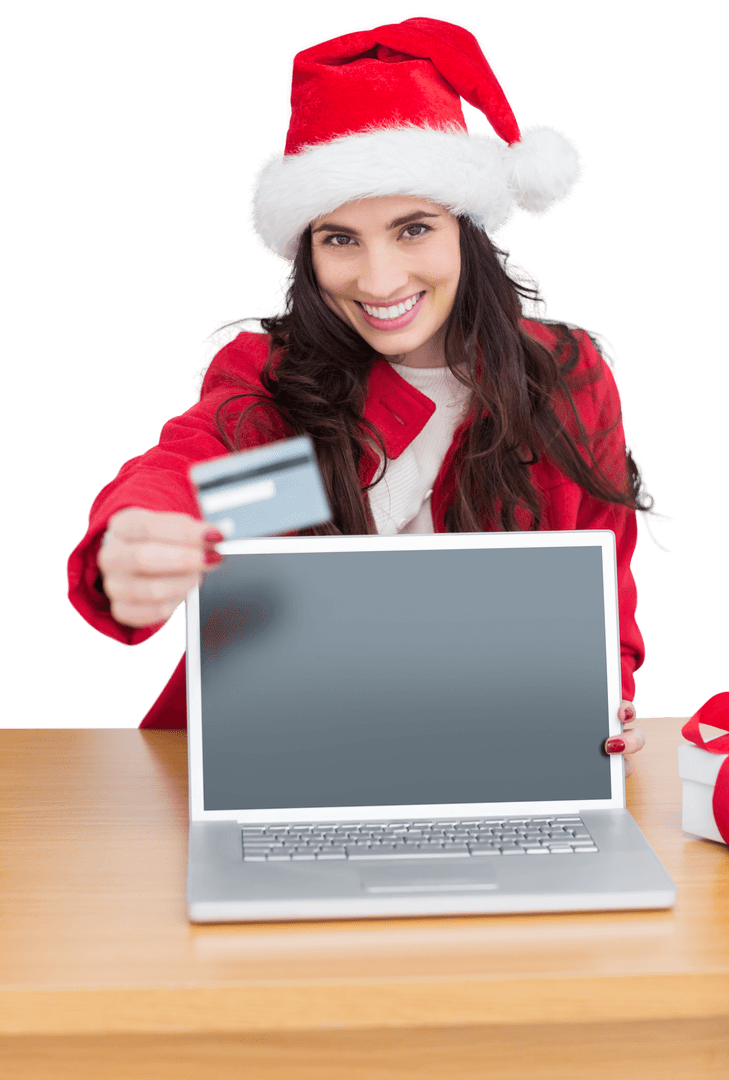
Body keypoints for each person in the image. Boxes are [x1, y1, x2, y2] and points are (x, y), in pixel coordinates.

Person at [66, 15, 671, 775]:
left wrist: (603, 702)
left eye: (412, 228)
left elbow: (600, 593)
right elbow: (197, 472)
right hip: (267, 753)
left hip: (489, 754)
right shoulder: (276, 378)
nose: (378, 282)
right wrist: (142, 532)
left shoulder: (565, 380)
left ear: (468, 230)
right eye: (340, 239)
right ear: (306, 251)